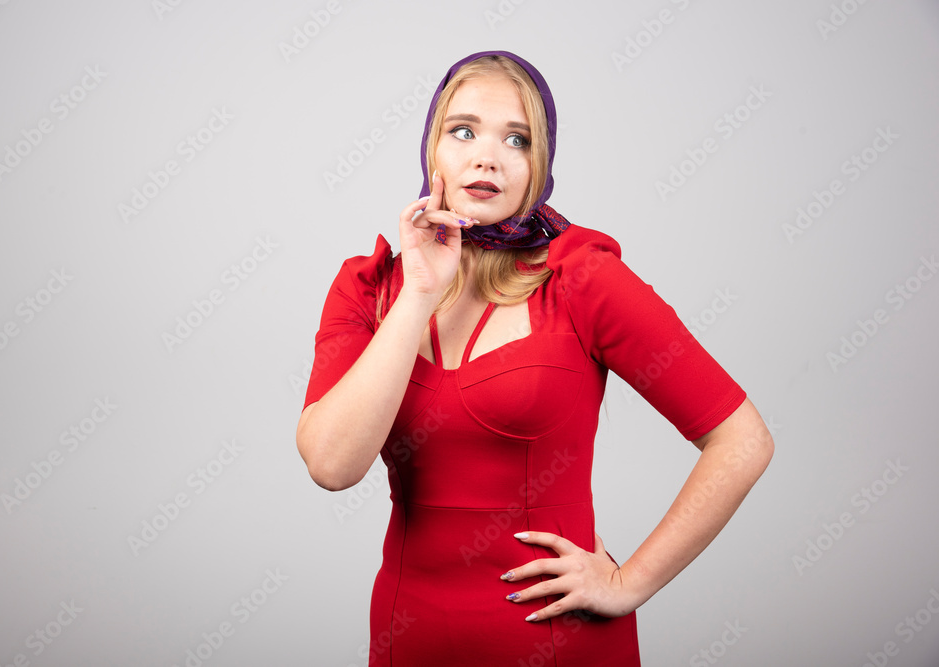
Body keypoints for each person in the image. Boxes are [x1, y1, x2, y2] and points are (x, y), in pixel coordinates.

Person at [296, 50, 774, 666]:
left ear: (538, 164)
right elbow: (332, 465)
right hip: (408, 633)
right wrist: (418, 292)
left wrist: (629, 582)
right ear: (430, 149)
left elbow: (742, 440)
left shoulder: (582, 279)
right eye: (462, 131)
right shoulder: (370, 288)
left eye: (517, 139)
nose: (486, 156)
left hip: (555, 641)